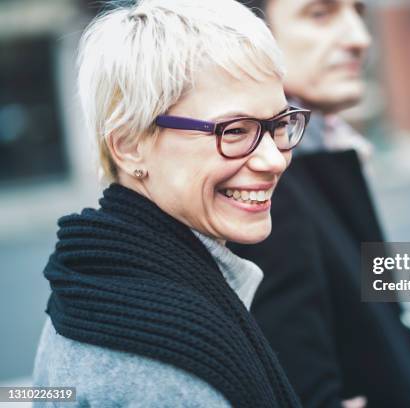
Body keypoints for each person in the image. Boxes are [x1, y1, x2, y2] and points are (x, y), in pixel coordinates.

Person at [31, 1, 310, 407]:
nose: (273, 159)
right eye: (234, 131)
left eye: (279, 125)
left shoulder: (87, 285)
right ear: (129, 146)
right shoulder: (160, 365)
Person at [230, 1, 410, 407]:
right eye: (319, 14)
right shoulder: (265, 188)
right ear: (247, 33)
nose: (359, 38)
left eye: (357, 12)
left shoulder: (322, 154)